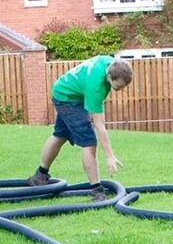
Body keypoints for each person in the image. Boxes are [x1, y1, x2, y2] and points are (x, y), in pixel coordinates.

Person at [26, 55, 132, 187]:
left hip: (67, 92)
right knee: (89, 142)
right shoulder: (96, 86)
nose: (121, 89)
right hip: (67, 98)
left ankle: (39, 175)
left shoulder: (111, 64)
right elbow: (99, 125)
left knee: (60, 135)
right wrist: (109, 156)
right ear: (110, 77)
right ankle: (96, 190)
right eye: (119, 86)